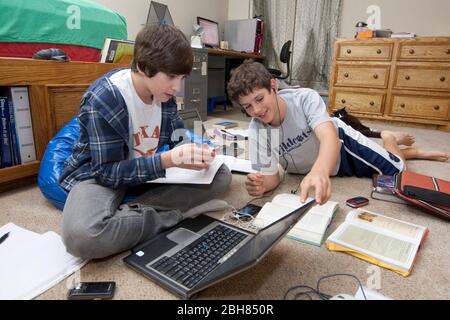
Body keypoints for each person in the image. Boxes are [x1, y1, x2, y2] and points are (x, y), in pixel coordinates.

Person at [59, 24, 231, 260]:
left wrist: (189, 153)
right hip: (100, 175)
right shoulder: (105, 98)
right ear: (142, 66)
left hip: (145, 171)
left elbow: (176, 133)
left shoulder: (164, 94)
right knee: (82, 237)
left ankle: (131, 213)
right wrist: (166, 161)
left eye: (182, 77)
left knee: (221, 175)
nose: (177, 87)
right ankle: (172, 215)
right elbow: (106, 173)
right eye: (171, 76)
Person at [227, 61, 449, 205]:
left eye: (259, 99)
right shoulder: (257, 130)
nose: (256, 110)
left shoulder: (304, 98)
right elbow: (272, 177)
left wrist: (318, 172)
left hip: (343, 148)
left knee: (399, 174)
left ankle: (390, 140)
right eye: (247, 107)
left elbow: (329, 138)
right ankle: (389, 148)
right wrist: (262, 185)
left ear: (273, 86)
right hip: (318, 168)